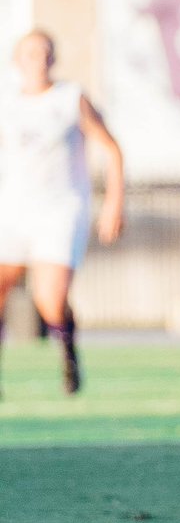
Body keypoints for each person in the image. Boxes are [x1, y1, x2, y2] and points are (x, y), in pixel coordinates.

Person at [0, 29, 124, 395]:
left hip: (59, 208)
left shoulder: (70, 98)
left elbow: (112, 149)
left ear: (53, 58)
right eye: (31, 54)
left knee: (49, 299)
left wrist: (114, 203)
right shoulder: (8, 102)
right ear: (18, 60)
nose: (39, 60)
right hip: (15, 208)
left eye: (44, 53)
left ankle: (68, 356)